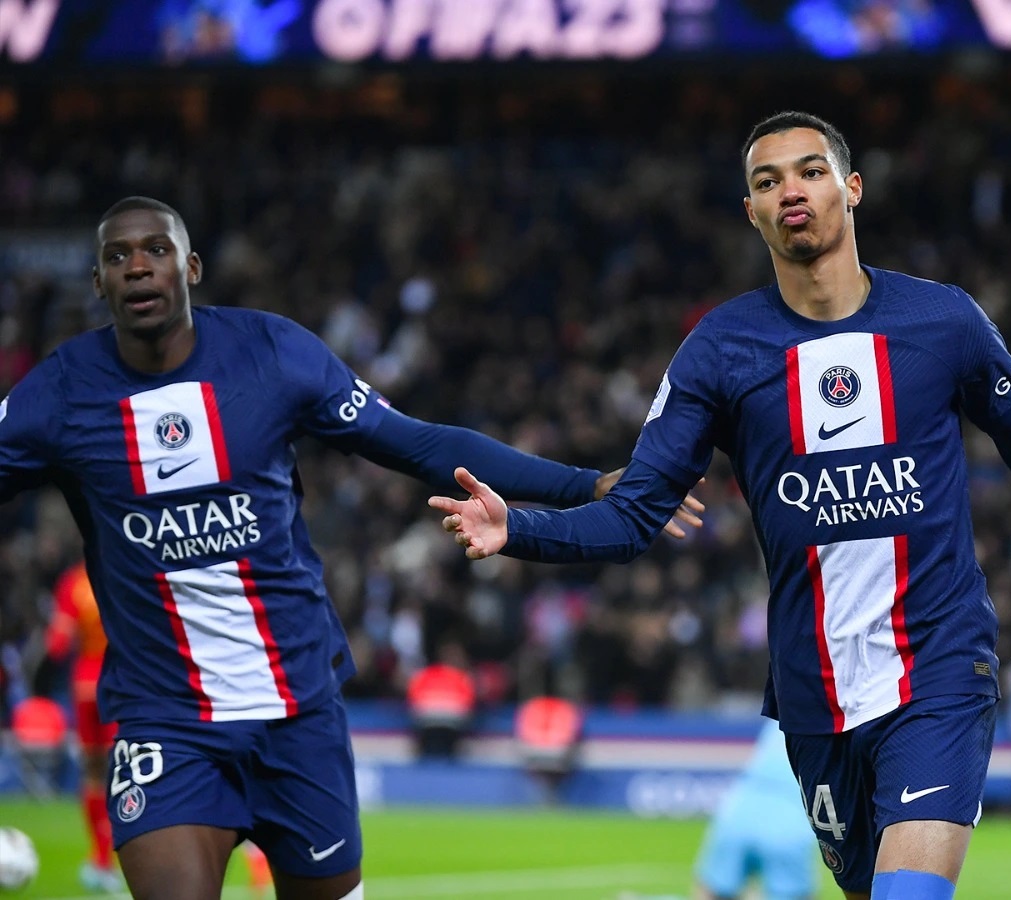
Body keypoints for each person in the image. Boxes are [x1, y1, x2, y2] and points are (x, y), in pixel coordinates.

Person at [432, 111, 1011, 900]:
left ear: (851, 189)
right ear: (751, 211)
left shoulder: (944, 321)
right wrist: (517, 528)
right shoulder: (720, 349)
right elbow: (635, 514)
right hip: (812, 691)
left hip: (939, 667)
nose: (791, 190)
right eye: (768, 181)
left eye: (811, 171)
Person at [0, 196, 703, 900]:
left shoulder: (272, 353)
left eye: (156, 249)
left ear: (192, 266)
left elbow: (420, 445)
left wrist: (585, 484)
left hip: (298, 709)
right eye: (117, 256)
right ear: (97, 281)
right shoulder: (59, 395)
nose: (137, 267)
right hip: (167, 719)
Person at [43, 561, 121, 892]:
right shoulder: (120, 570)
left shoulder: (73, 582)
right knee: (121, 771)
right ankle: (113, 856)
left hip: (84, 685)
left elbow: (57, 643)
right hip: (117, 682)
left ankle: (99, 858)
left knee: (93, 772)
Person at [694, 718, 818, 900]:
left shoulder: (783, 713)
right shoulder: (845, 720)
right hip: (789, 822)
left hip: (738, 813)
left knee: (713, 891)